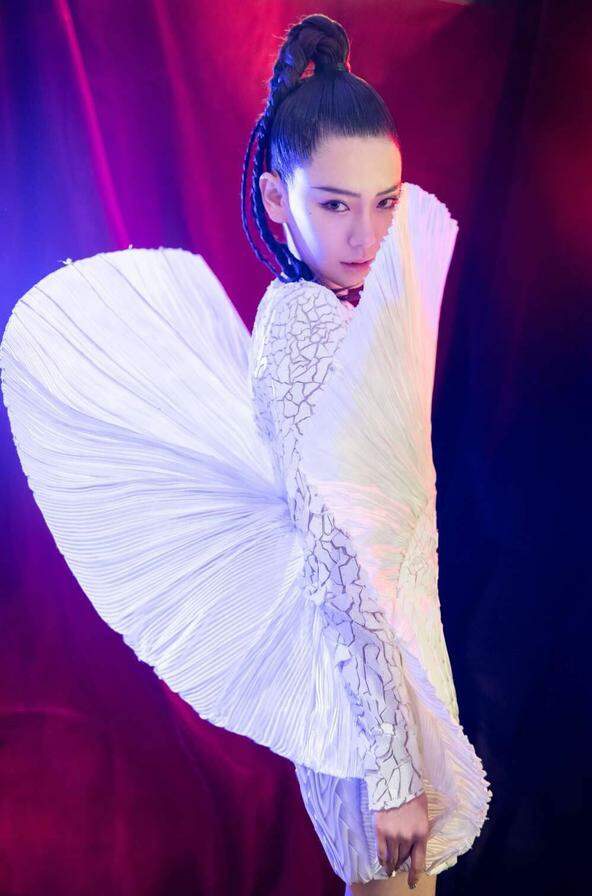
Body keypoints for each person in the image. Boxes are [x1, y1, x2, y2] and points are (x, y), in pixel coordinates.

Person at [0, 12, 491, 895]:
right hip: (365, 707)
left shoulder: (342, 315)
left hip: (390, 673)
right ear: (275, 198)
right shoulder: (306, 330)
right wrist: (390, 770)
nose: (366, 236)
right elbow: (338, 560)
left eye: (385, 202)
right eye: (334, 204)